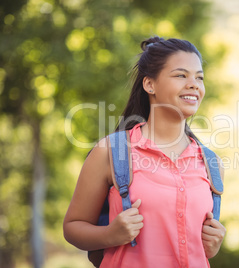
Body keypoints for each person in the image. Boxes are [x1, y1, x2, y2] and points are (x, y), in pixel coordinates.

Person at [63, 36, 226, 267]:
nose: (194, 84)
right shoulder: (111, 151)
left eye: (199, 77)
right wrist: (110, 235)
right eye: (181, 75)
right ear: (150, 85)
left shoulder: (211, 163)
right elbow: (72, 227)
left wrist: (213, 245)